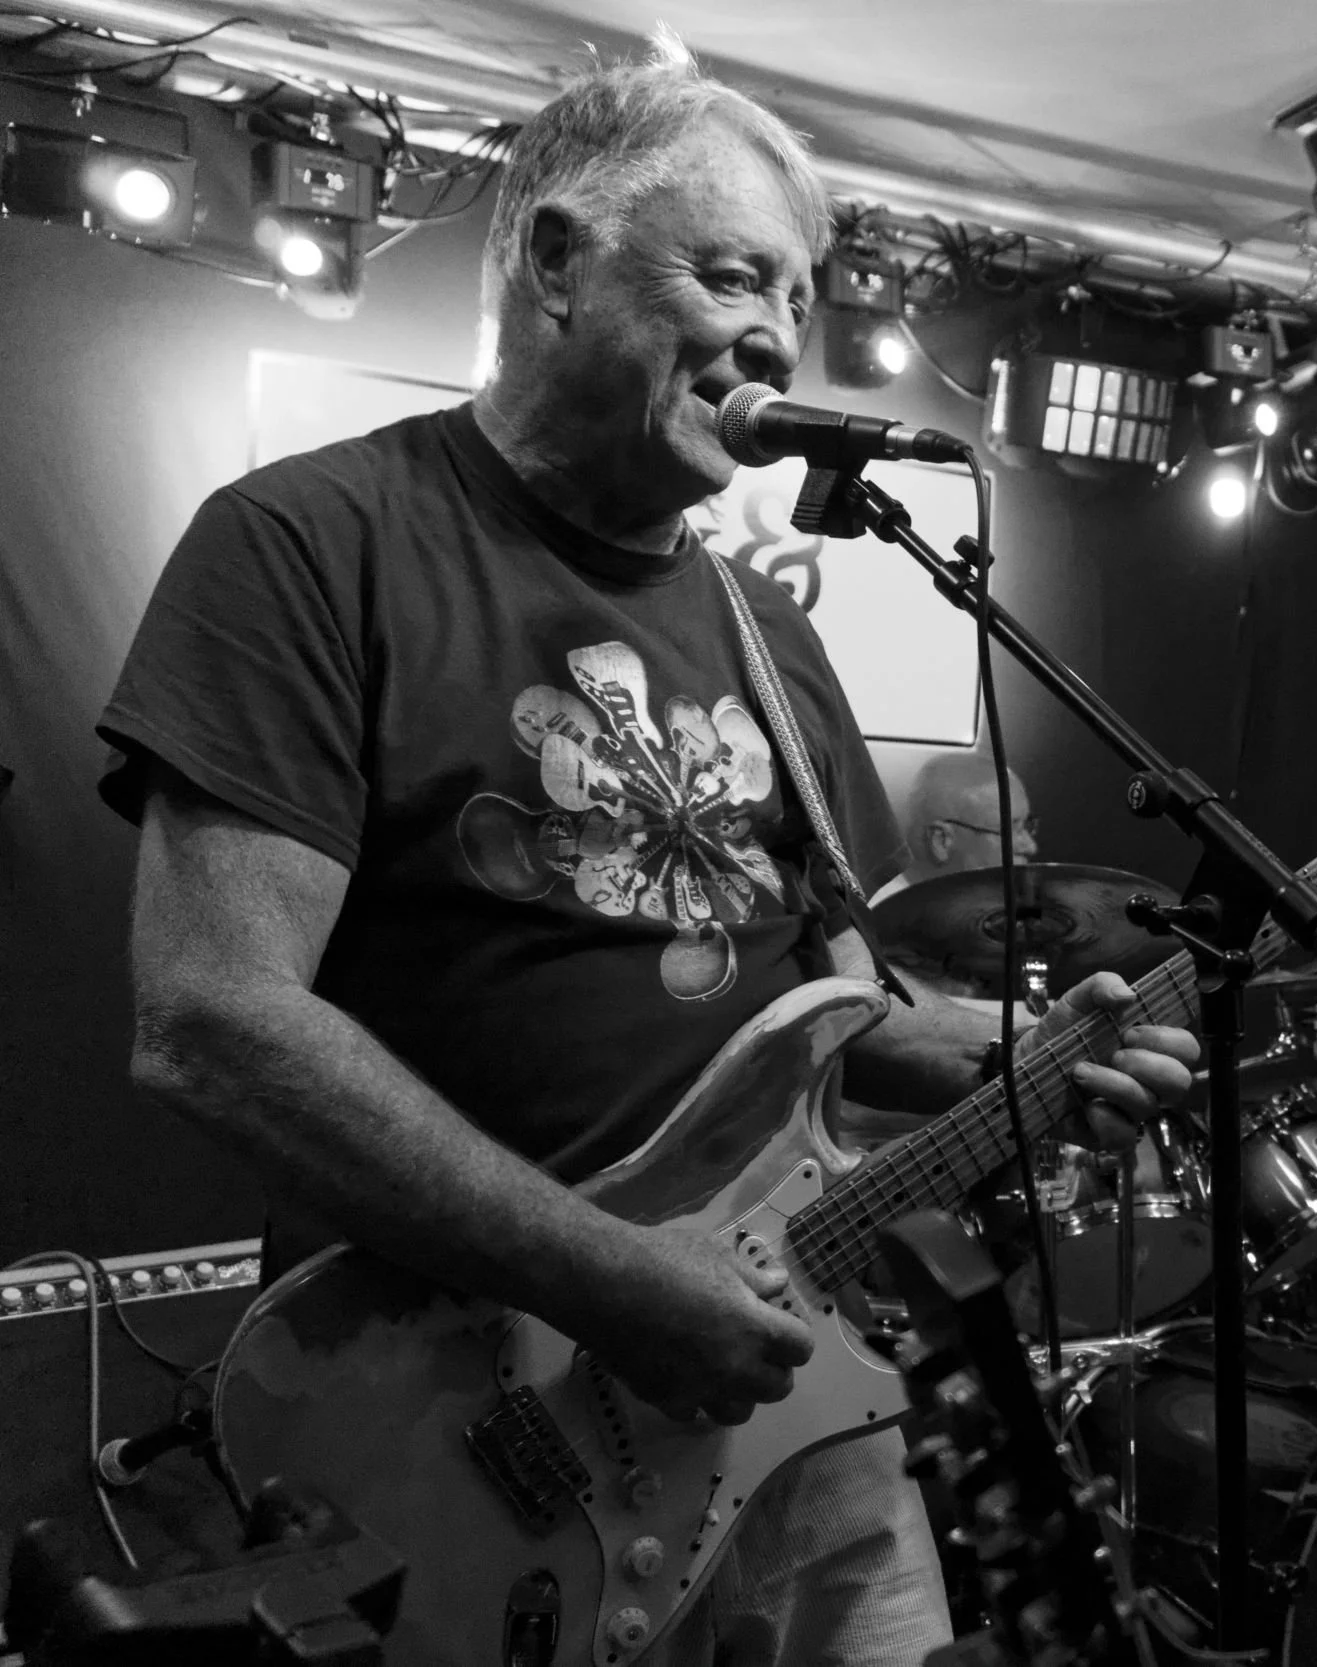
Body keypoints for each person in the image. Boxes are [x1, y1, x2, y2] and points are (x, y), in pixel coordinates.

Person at [100, 37, 1197, 1666]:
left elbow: (829, 1002)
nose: (775, 333)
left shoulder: (772, 635)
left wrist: (1009, 1060)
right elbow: (211, 1015)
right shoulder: (312, 544)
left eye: (802, 301)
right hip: (450, 1422)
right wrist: (609, 1280)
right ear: (556, 256)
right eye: (737, 273)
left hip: (802, 1419)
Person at [886, 751, 1038, 894]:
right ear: (941, 841)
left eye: (1027, 826)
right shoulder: (874, 919)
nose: (1031, 847)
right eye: (1009, 830)